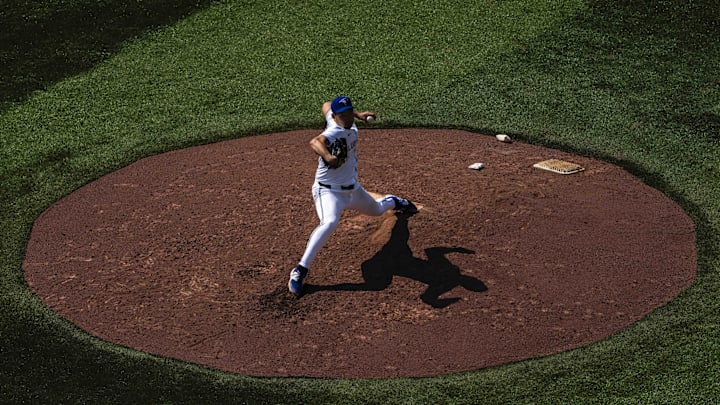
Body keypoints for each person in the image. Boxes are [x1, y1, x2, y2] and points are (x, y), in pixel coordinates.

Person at [288, 96, 417, 296]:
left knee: (377, 210)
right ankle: (300, 270)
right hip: (328, 192)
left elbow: (326, 105)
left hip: (353, 190)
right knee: (329, 222)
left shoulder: (341, 119)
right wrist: (328, 156)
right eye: (344, 114)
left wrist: (359, 115)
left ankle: (393, 201)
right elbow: (315, 141)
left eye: (350, 111)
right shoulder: (332, 130)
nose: (348, 117)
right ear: (335, 117)